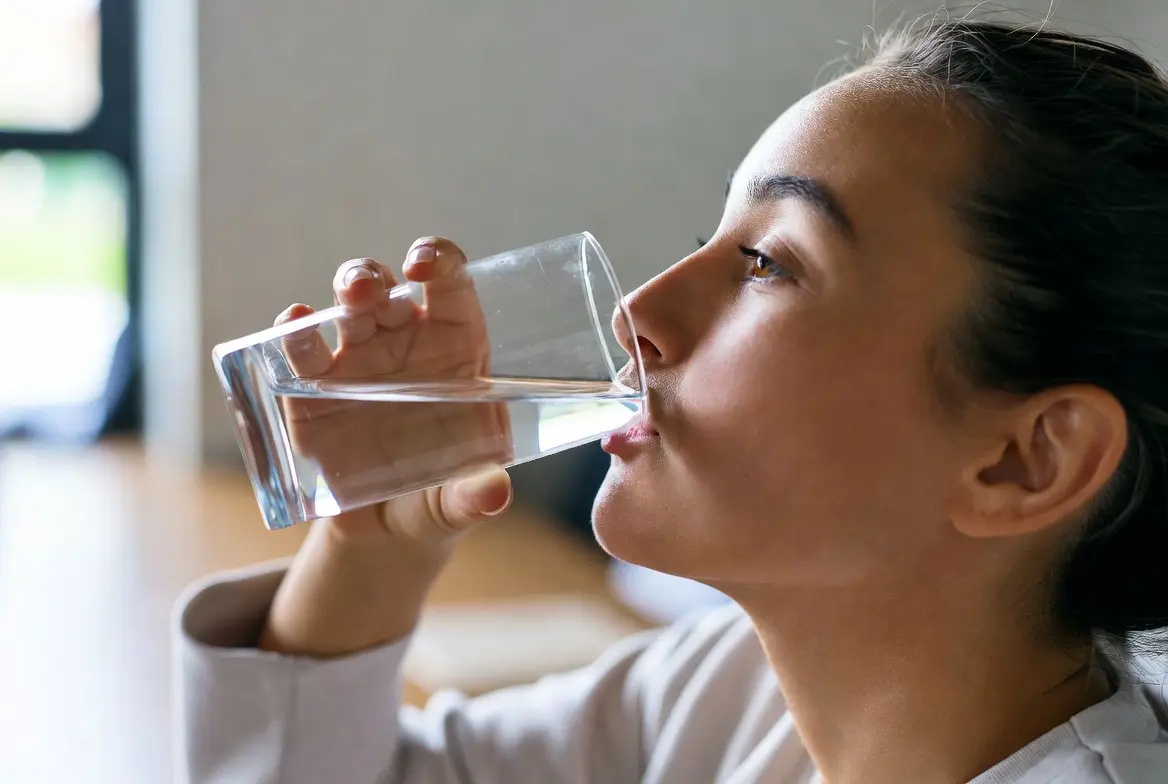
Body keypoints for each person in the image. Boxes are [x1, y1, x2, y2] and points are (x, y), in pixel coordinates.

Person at [175, 19, 1168, 784]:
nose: (639, 310)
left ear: (1025, 460)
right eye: (711, 235)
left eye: (766, 263)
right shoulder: (727, 692)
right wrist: (375, 541)